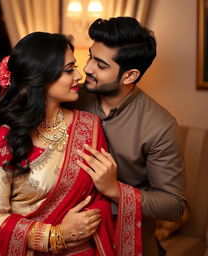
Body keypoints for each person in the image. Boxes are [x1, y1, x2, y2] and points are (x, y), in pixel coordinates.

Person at [0, 31, 141, 256]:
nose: (79, 77)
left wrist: (109, 187)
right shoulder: (4, 139)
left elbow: (98, 198)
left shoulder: (89, 126)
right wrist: (56, 235)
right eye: (68, 70)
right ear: (41, 76)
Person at [67, 17, 186, 256]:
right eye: (91, 56)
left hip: (127, 243)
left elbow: (174, 205)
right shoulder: (73, 98)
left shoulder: (159, 125)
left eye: (101, 65)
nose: (87, 68)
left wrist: (114, 190)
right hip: (68, 238)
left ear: (129, 76)